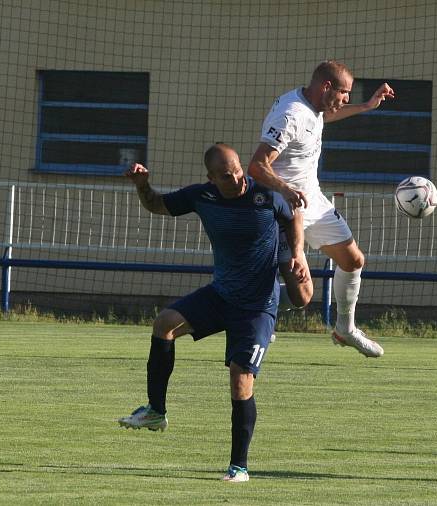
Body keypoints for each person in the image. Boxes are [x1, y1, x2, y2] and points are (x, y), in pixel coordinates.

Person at [117, 143, 310, 483]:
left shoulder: (265, 195)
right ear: (211, 178)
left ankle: (239, 467)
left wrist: (297, 253)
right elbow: (157, 205)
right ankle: (155, 412)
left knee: (240, 378)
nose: (235, 179)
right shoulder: (202, 196)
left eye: (237, 170)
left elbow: (294, 213)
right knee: (164, 324)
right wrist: (142, 185)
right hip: (221, 295)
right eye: (225, 175)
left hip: (257, 307)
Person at [248, 60, 395, 358]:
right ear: (326, 86)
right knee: (302, 293)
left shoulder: (313, 108)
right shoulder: (291, 114)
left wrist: (367, 106)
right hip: (284, 207)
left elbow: (324, 118)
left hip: (311, 200)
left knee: (353, 260)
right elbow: (256, 165)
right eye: (344, 93)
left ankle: (345, 329)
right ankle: (252, 314)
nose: (346, 100)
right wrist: (285, 189)